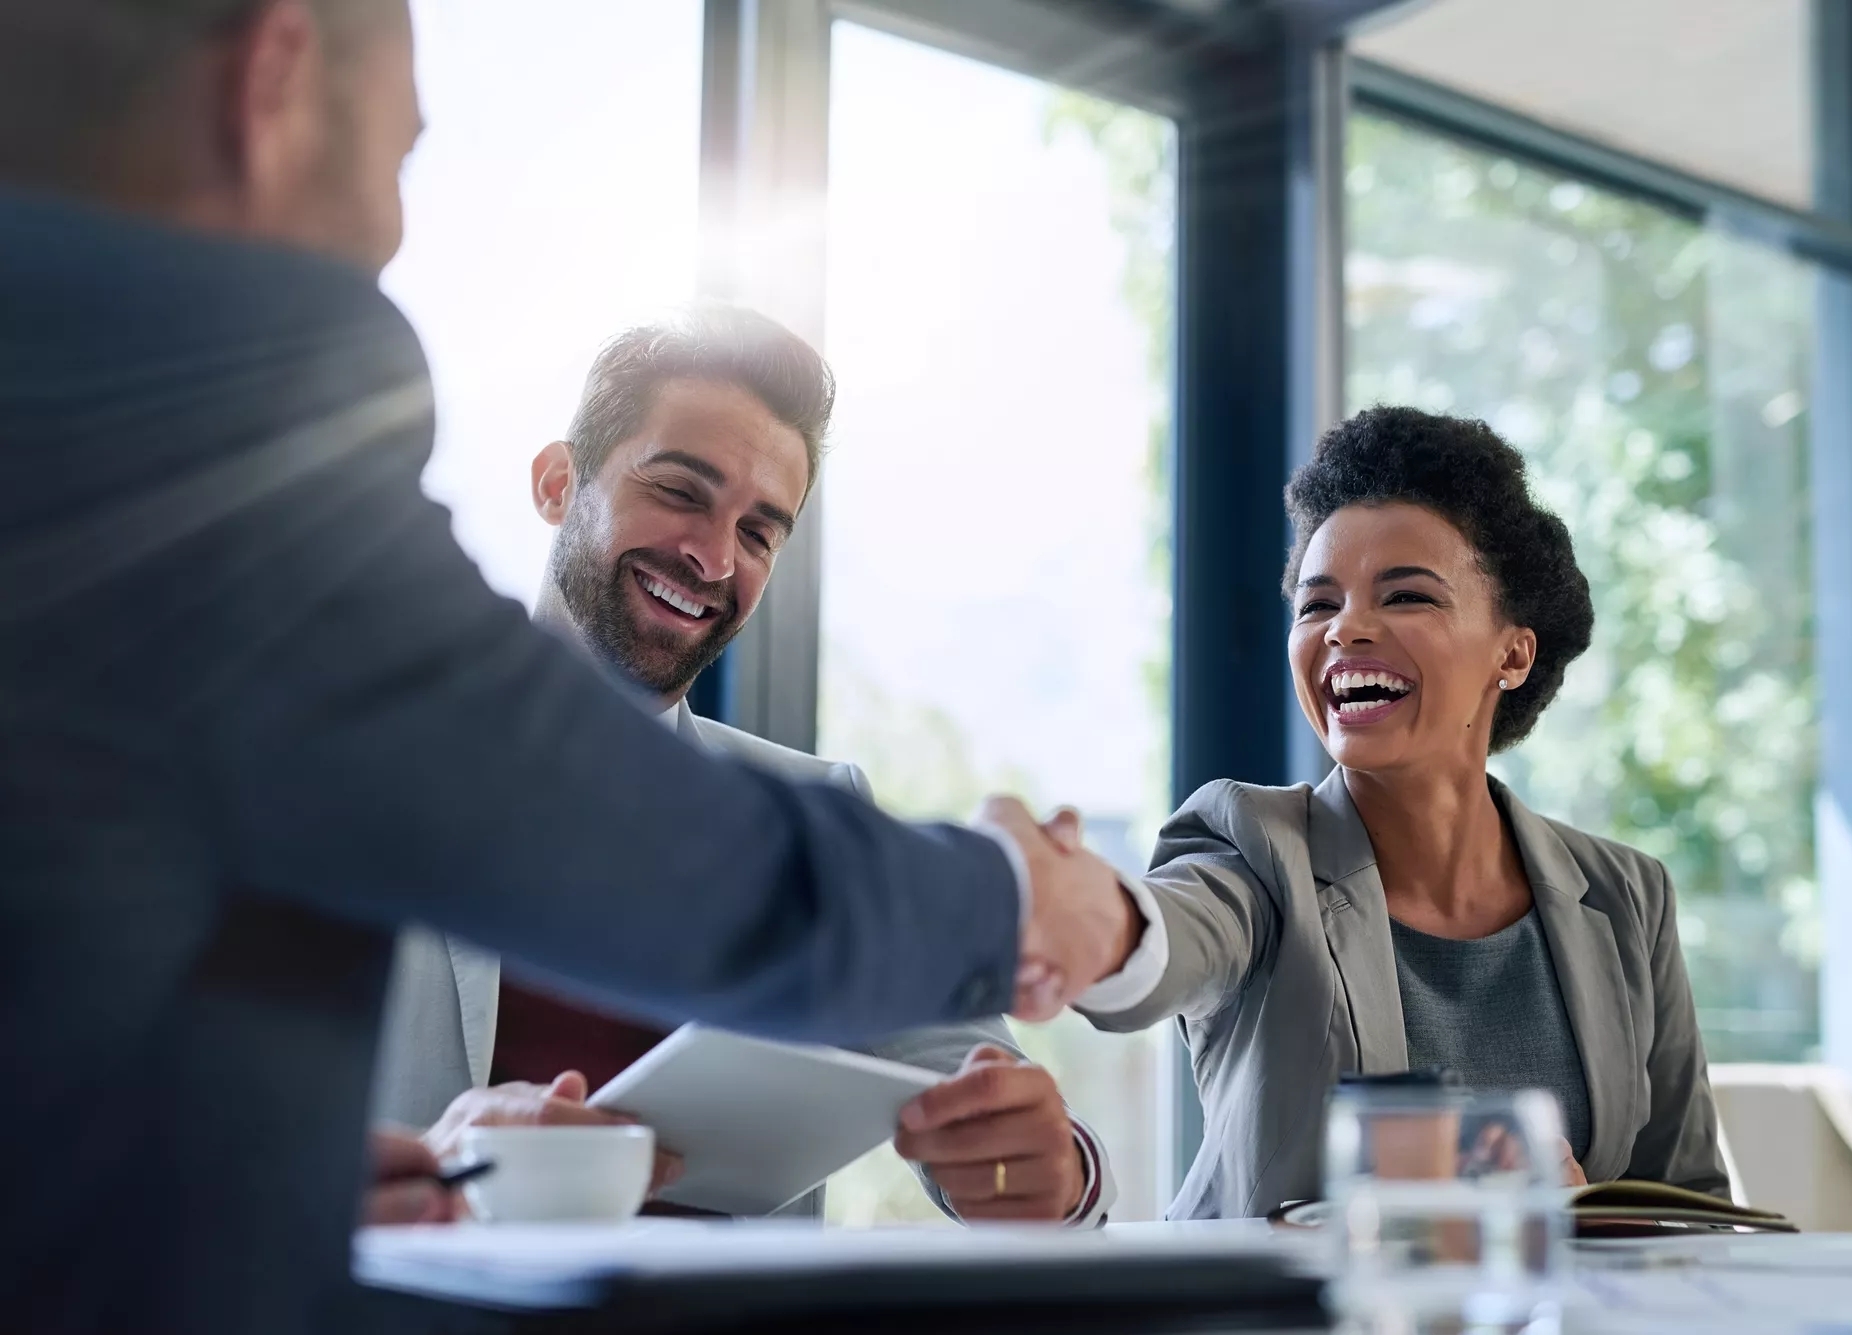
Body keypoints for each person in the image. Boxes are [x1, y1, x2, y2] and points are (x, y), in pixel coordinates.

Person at [0, 2, 1140, 1330]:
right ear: (276, 76)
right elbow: (673, 862)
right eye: (401, 158)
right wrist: (1019, 894)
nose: (390, 229)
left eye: (761, 525)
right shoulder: (208, 450)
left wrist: (294, 1187)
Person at [371, 316, 1118, 1226]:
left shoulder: (821, 811)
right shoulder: (370, 755)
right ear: (559, 483)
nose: (714, 557)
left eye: (760, 533)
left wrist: (1053, 1169)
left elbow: (981, 1084)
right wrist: (439, 1160)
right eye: (682, 490)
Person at [1078, 406, 1727, 1219]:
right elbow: (1161, 942)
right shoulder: (1251, 848)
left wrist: (1578, 1216)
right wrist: (1079, 916)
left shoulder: (1628, 894)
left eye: (1408, 595)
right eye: (1317, 606)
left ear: (1513, 652)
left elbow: (1691, 1206)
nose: (1346, 628)